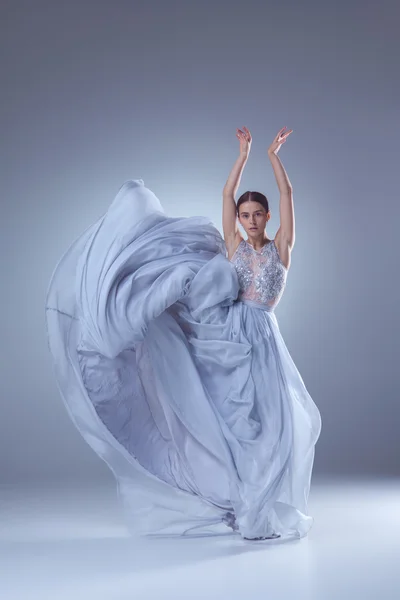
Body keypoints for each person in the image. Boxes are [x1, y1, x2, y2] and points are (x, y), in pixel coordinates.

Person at [45, 126, 322, 542]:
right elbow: (227, 196)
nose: (249, 221)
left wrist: (272, 156)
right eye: (245, 216)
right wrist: (242, 156)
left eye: (256, 214)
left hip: (263, 338)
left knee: (273, 425)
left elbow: (289, 195)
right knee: (234, 421)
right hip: (229, 334)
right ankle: (243, 505)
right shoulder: (234, 246)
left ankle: (255, 507)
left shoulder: (282, 247)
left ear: (268, 217)